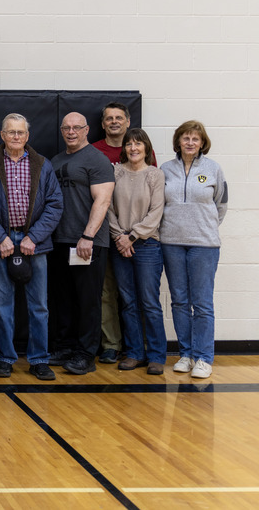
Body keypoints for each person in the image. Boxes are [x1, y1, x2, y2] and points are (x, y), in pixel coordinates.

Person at [0, 113, 63, 381]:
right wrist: (1, 237)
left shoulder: (42, 165)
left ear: (27, 136)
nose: (16, 137)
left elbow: (55, 204)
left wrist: (33, 237)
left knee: (39, 307)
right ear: (2, 135)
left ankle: (39, 359)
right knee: (1, 305)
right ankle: (6, 358)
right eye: (11, 132)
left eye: (20, 133)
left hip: (36, 243)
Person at [48, 112, 116, 376]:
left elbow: (103, 200)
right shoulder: (56, 160)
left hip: (87, 243)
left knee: (87, 301)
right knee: (62, 299)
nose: (71, 131)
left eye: (77, 127)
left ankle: (86, 354)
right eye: (66, 127)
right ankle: (64, 347)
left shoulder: (97, 160)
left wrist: (87, 236)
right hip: (58, 240)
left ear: (87, 130)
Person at [160, 120, 228, 379]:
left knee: (202, 303)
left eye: (195, 139)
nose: (190, 142)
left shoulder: (213, 169)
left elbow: (221, 205)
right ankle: (186, 354)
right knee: (179, 301)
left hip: (204, 245)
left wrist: (203, 226)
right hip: (171, 243)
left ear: (202, 143)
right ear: (178, 141)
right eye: (185, 138)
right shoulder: (166, 169)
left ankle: (203, 358)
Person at [91, 101, 156, 364]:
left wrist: (132, 236)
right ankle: (111, 344)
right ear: (103, 123)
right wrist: (119, 236)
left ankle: (139, 349)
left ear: (128, 122)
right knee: (108, 293)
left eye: (119, 117)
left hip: (140, 240)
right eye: (109, 118)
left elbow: (155, 201)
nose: (114, 122)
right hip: (104, 235)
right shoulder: (94, 151)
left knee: (140, 297)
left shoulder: (144, 154)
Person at [107, 129, 166, 375]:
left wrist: (131, 237)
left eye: (138, 144)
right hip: (120, 242)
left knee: (149, 302)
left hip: (147, 245)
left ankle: (156, 355)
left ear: (146, 148)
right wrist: (120, 237)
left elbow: (156, 212)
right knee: (128, 301)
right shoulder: (115, 172)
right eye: (129, 144)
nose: (133, 148)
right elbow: (106, 207)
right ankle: (134, 353)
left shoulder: (155, 174)